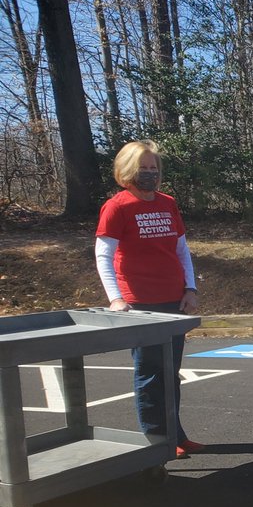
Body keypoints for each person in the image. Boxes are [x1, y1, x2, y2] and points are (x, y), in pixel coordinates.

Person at [95, 140, 202, 460]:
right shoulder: (117, 206)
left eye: (154, 169)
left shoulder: (168, 203)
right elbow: (104, 255)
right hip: (139, 304)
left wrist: (190, 289)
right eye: (143, 169)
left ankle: (176, 435)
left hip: (174, 301)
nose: (150, 174)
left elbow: (181, 250)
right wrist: (116, 298)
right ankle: (157, 441)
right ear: (127, 171)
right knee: (150, 373)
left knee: (171, 371)